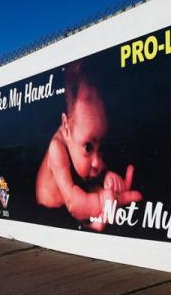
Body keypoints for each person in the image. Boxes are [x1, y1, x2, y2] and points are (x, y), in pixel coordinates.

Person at [35, 61, 141, 230]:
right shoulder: (57, 149)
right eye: (88, 148)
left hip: (76, 195)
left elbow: (95, 166)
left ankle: (95, 219)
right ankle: (93, 221)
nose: (98, 163)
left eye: (102, 149)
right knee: (89, 203)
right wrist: (102, 201)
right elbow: (73, 204)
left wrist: (108, 176)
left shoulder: (82, 135)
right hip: (51, 210)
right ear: (66, 127)